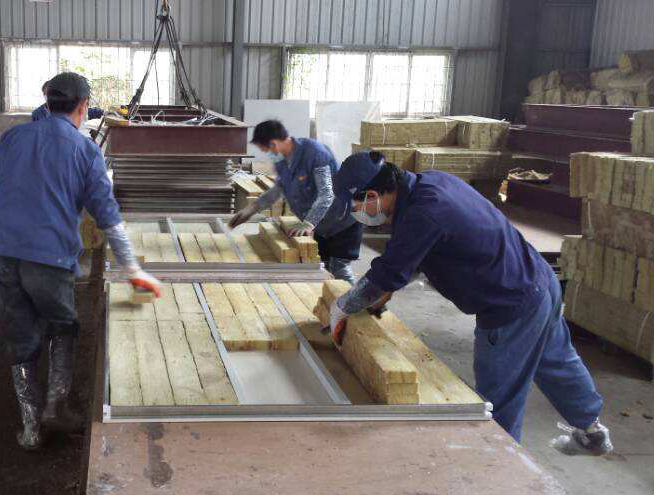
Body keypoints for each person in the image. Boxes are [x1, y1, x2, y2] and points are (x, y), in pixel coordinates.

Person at [328, 151, 612, 455]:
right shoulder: (431, 183)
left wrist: (342, 306)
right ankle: (592, 433)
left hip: (509, 304)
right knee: (555, 360)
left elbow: (386, 272)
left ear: (373, 194)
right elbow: (421, 253)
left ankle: (499, 466)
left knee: (499, 397)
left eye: (357, 205)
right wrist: (387, 291)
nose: (358, 213)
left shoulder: (423, 214)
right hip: (540, 281)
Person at [0, 72, 161, 450]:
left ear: (47, 101)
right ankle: (56, 406)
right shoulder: (85, 150)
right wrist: (133, 269)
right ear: (83, 106)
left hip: (3, 255)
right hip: (49, 259)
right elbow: (108, 218)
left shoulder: (13, 138)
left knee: (20, 334)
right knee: (62, 327)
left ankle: (30, 429)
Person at [229, 120, 363, 282]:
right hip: (322, 223)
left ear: (273, 144)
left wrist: (308, 223)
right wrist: (253, 208)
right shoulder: (282, 162)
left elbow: (327, 194)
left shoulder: (315, 154)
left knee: (339, 268)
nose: (267, 154)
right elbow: (278, 189)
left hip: (342, 219)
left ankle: (356, 298)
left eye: (265, 150)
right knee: (323, 267)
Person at [31, 79, 104, 123]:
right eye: (47, 94)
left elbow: (87, 111)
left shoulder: (65, 107)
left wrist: (103, 112)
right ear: (44, 95)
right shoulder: (37, 114)